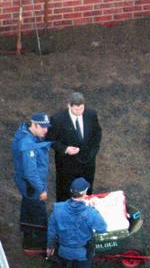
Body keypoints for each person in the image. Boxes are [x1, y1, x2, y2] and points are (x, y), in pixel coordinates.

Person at [47, 92, 103, 202]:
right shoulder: (58, 119)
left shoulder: (91, 114)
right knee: (65, 191)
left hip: (88, 163)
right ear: (69, 106)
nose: (79, 112)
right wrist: (65, 149)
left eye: (81, 108)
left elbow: (97, 133)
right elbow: (50, 139)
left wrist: (93, 152)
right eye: (76, 109)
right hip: (67, 164)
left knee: (86, 189)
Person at [11, 112, 52, 252]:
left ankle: (28, 239)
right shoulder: (27, 143)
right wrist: (41, 190)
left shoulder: (28, 134)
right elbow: (31, 173)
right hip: (32, 186)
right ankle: (42, 246)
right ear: (34, 125)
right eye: (43, 127)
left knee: (28, 209)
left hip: (26, 185)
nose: (46, 131)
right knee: (39, 214)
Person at [47, 177, 107, 268]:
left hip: (62, 251)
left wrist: (50, 247)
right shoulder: (91, 213)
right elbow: (102, 228)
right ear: (83, 193)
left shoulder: (57, 209)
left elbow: (51, 231)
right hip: (82, 254)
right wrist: (94, 209)